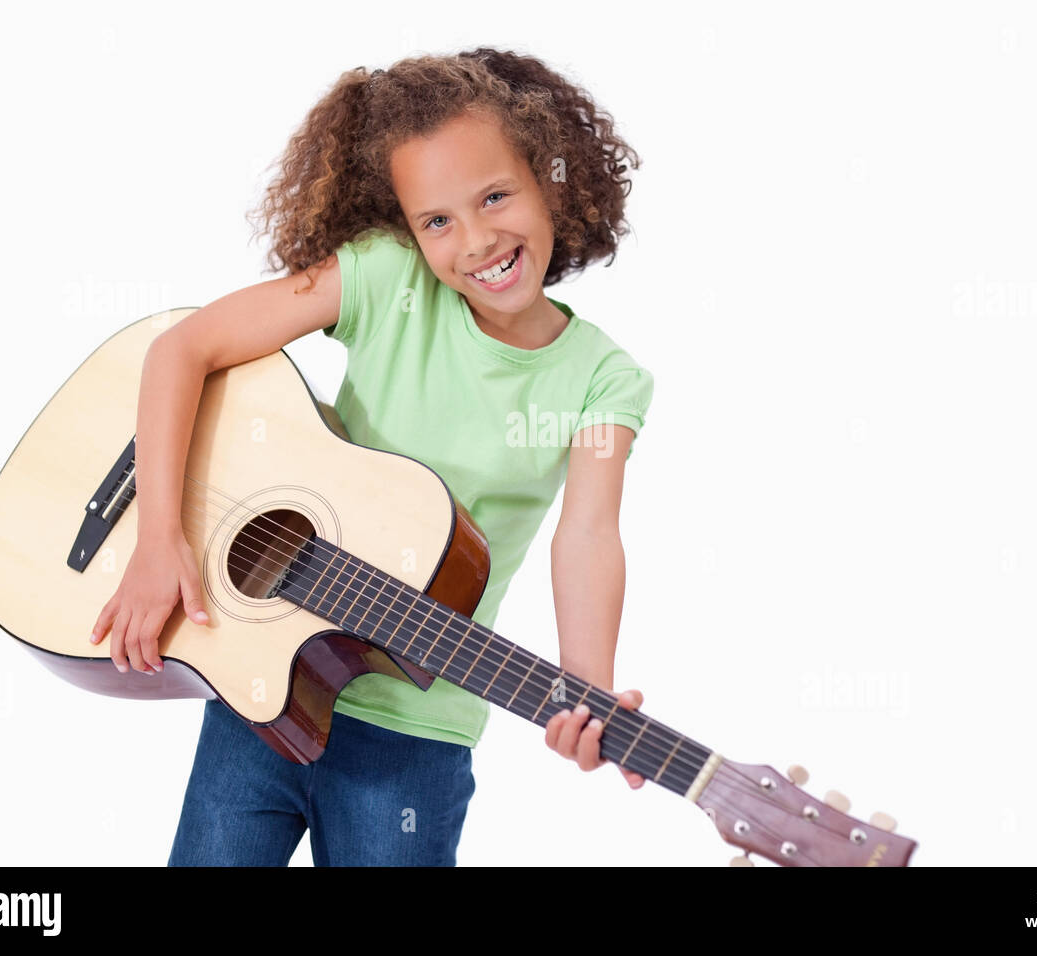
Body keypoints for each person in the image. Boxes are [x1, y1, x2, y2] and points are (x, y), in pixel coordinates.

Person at [88, 47, 655, 866]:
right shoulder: (386, 281)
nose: (477, 240)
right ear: (408, 228)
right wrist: (158, 539)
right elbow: (184, 349)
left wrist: (588, 688)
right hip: (261, 696)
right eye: (437, 221)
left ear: (550, 181)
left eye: (496, 195)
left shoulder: (604, 379)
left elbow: (589, 534)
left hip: (414, 745)